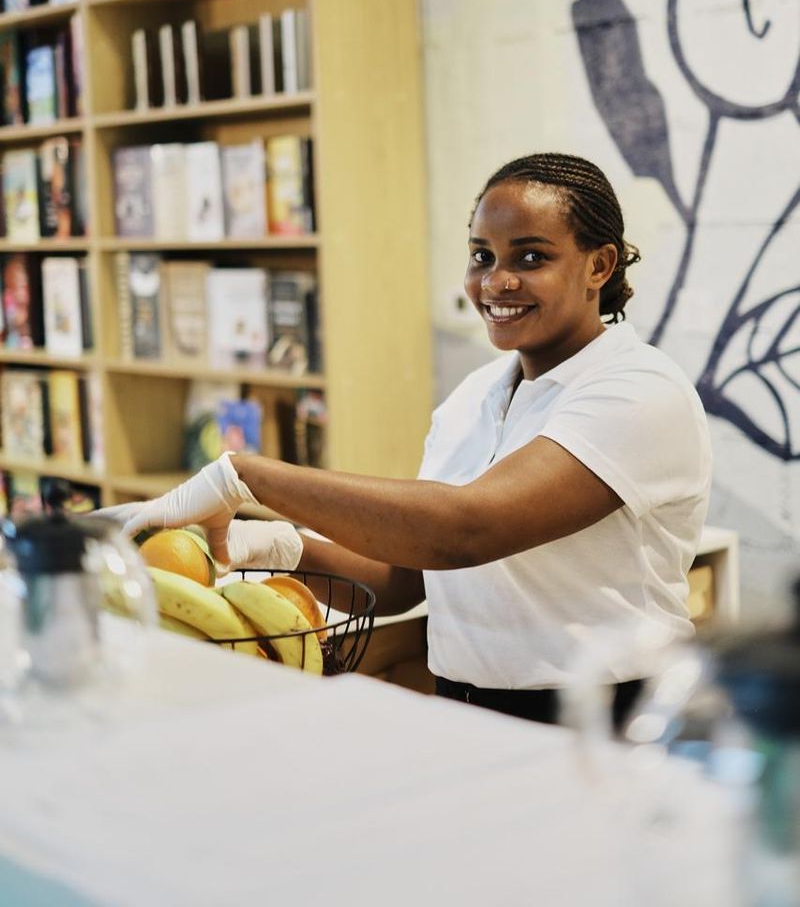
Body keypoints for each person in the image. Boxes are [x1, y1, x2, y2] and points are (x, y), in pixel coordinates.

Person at [100, 153, 712, 727]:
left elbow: (466, 530)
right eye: (481, 256)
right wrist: (267, 544)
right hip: (465, 707)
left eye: (530, 258)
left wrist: (243, 475)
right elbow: (409, 574)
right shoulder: (472, 397)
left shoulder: (639, 391)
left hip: (607, 717)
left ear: (598, 266)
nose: (496, 283)